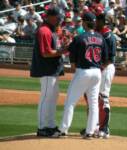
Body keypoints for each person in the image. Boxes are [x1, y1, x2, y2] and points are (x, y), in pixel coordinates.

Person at [58, 12, 108, 139]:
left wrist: (76, 68)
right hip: (97, 72)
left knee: (70, 101)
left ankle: (63, 130)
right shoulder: (101, 38)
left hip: (83, 71)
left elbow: (72, 57)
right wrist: (98, 68)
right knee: (93, 104)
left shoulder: (79, 37)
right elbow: (105, 59)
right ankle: (90, 132)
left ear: (85, 23)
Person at [30, 6, 67, 137]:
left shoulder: (53, 30)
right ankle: (42, 127)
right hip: (46, 69)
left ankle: (50, 125)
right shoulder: (44, 30)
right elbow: (46, 53)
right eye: (58, 18)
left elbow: (55, 47)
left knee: (53, 97)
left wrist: (64, 45)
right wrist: (62, 51)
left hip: (53, 69)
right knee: (46, 97)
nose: (60, 20)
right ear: (50, 17)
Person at [96, 13, 116, 139]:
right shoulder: (100, 33)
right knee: (97, 98)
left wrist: (101, 68)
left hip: (106, 68)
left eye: (97, 20)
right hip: (101, 68)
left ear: (103, 21)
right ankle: (97, 126)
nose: (95, 22)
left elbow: (111, 57)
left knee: (103, 97)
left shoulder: (108, 35)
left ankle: (105, 128)